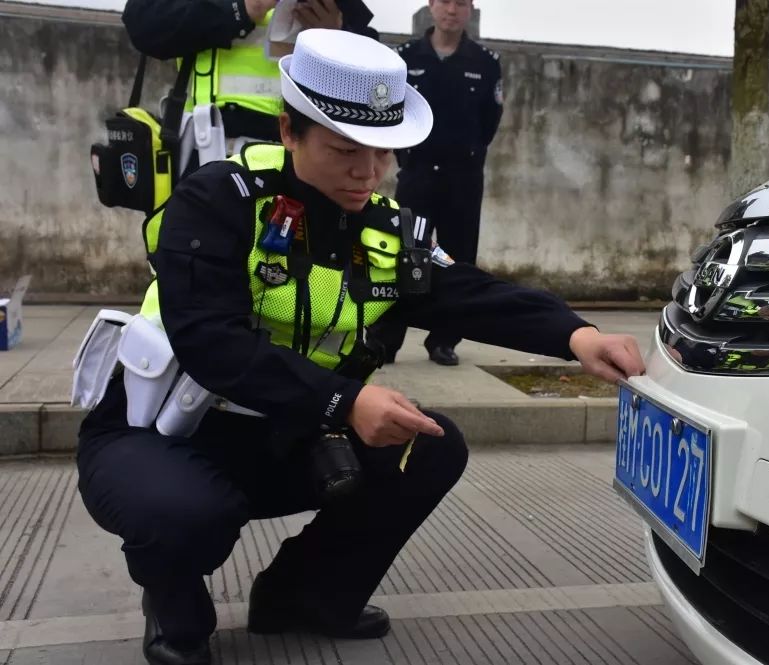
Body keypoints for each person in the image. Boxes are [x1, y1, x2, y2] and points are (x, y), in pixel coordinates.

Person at [75, 29, 644, 665]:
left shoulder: (387, 229)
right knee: (180, 515)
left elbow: (467, 292)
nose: (366, 173)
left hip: (289, 432)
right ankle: (174, 608)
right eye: (345, 150)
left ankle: (304, 596)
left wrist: (576, 334)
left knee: (429, 449)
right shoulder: (216, 201)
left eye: (382, 154)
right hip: (166, 432)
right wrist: (346, 402)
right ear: (289, 132)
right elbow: (211, 342)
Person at [368, 0, 502, 366]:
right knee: (400, 254)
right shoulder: (405, 57)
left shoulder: (485, 62)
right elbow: (392, 111)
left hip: (463, 178)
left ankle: (444, 340)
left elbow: (490, 120)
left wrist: (470, 153)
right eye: (445, 1)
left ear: (471, 9)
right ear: (431, 5)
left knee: (458, 261)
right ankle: (385, 340)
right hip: (418, 175)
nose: (452, 10)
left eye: (461, 3)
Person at [121, 0, 367, 146]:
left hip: (296, 156)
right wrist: (241, 9)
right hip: (206, 150)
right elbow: (144, 25)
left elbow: (368, 72)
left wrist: (335, 35)